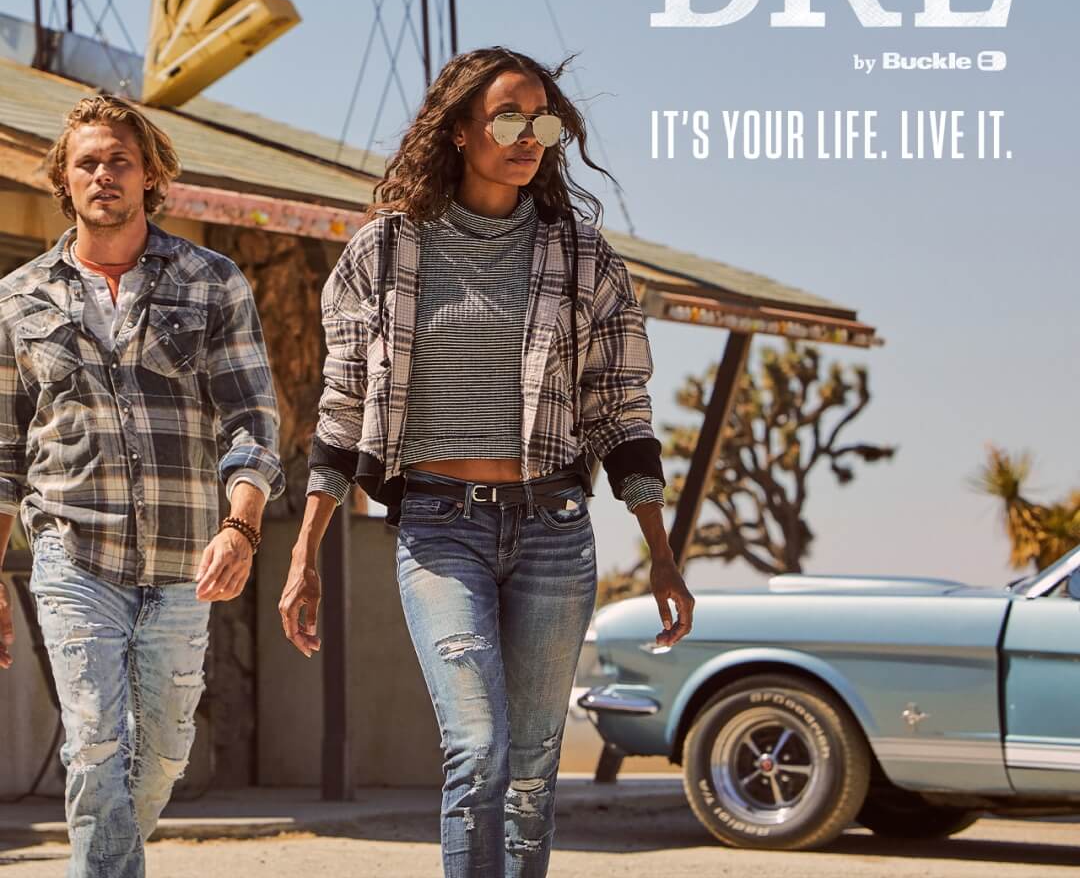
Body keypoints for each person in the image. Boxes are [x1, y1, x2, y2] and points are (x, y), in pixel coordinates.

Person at [279, 47, 694, 877]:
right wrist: (304, 553)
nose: (529, 136)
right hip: (438, 529)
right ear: (460, 129)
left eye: (543, 121)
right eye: (508, 117)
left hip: (553, 530)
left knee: (535, 768)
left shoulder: (582, 257)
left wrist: (662, 553)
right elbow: (343, 409)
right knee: (477, 744)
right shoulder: (383, 254)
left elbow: (621, 410)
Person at [0, 95, 284, 878]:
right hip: (72, 553)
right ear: (63, 177)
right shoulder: (18, 299)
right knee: (93, 739)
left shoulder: (211, 280)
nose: (103, 174)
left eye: (120, 160)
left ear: (151, 175)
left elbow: (252, 420)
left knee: (161, 756)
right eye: (87, 161)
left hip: (182, 561)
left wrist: (241, 526)